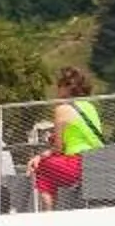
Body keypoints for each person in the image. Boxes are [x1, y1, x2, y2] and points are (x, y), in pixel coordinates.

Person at [31, 69, 107, 207]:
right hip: (96, 160)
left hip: (77, 164)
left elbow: (58, 148)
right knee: (47, 165)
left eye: (59, 85)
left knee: (42, 167)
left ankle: (49, 212)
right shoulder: (90, 107)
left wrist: (41, 156)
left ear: (67, 87)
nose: (57, 90)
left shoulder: (62, 109)